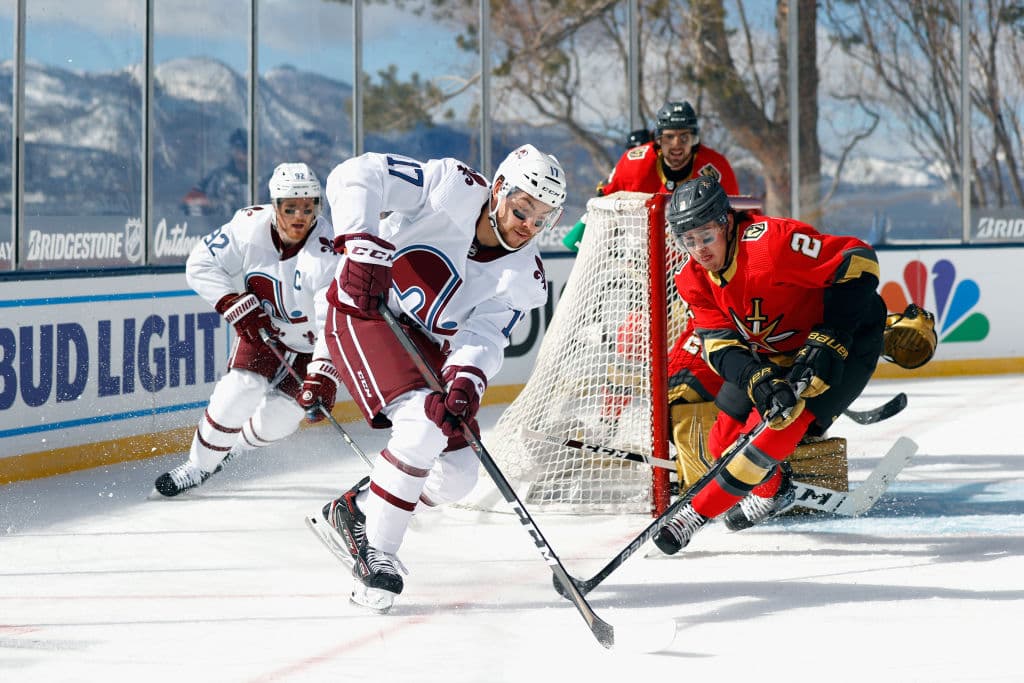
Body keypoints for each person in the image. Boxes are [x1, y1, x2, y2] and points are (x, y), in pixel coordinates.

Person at [314, 144, 567, 613]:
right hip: (367, 310)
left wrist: (467, 380)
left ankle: (359, 510)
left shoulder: (524, 275)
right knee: (422, 428)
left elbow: (486, 332)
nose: (528, 226)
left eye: (542, 219)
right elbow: (357, 174)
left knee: (458, 476)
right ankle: (377, 553)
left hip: (428, 345)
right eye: (522, 210)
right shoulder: (451, 184)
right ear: (498, 190)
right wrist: (362, 244)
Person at [652, 176, 888, 555]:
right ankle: (775, 490)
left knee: (774, 433)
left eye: (706, 236)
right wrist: (757, 379)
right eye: (688, 240)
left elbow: (858, 260)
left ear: (726, 222)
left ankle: (692, 518)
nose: (699, 250)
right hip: (774, 353)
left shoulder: (771, 244)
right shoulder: (691, 279)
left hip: (849, 340)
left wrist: (832, 336)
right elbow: (719, 346)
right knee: (722, 443)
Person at [154, 162, 340, 497]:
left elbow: (334, 322)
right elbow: (200, 263)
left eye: (308, 207)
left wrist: (324, 373)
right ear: (275, 206)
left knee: (279, 421)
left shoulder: (327, 254)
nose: (300, 216)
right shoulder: (248, 226)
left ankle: (234, 448)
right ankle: (197, 468)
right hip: (264, 330)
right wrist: (231, 303)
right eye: (291, 208)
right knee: (238, 391)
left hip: (314, 346)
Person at [562, 100, 739, 252]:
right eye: (669, 137)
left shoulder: (716, 168)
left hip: (697, 255)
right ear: (658, 139)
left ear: (695, 140)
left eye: (684, 137)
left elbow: (735, 216)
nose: (677, 145)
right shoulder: (635, 163)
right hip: (640, 257)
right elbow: (603, 202)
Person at [182, 128, 250, 217]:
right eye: (237, 147)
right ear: (232, 149)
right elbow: (188, 202)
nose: (240, 151)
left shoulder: (263, 180)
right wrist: (208, 203)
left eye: (244, 148)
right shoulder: (217, 177)